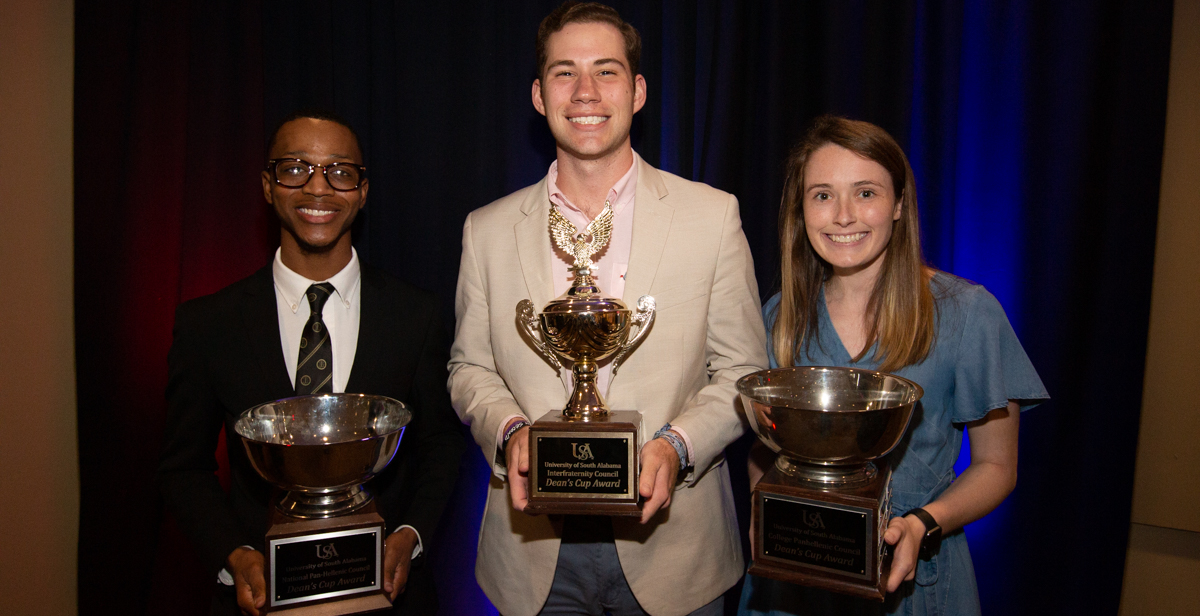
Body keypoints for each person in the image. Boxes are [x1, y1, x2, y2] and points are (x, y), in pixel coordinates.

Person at [447, 2, 769, 615]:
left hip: (676, 552)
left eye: (607, 71)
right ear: (539, 96)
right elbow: (469, 369)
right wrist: (512, 432)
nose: (586, 91)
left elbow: (744, 375)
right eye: (565, 72)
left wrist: (676, 446)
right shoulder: (485, 230)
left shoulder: (711, 216)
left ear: (638, 90)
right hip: (535, 555)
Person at [737, 116, 1048, 616]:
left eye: (865, 193)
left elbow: (997, 467)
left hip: (912, 579)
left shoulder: (966, 312)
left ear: (899, 204)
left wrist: (925, 522)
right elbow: (765, 448)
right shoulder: (780, 317)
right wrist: (766, 512)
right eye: (821, 195)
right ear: (801, 210)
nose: (842, 216)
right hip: (793, 585)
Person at [158, 110, 465, 616]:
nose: (318, 188)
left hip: (389, 599)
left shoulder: (418, 315)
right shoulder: (208, 324)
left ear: (363, 191)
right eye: (296, 168)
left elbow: (441, 443)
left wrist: (409, 537)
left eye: (340, 171)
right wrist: (236, 555)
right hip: (257, 598)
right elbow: (183, 468)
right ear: (267, 185)